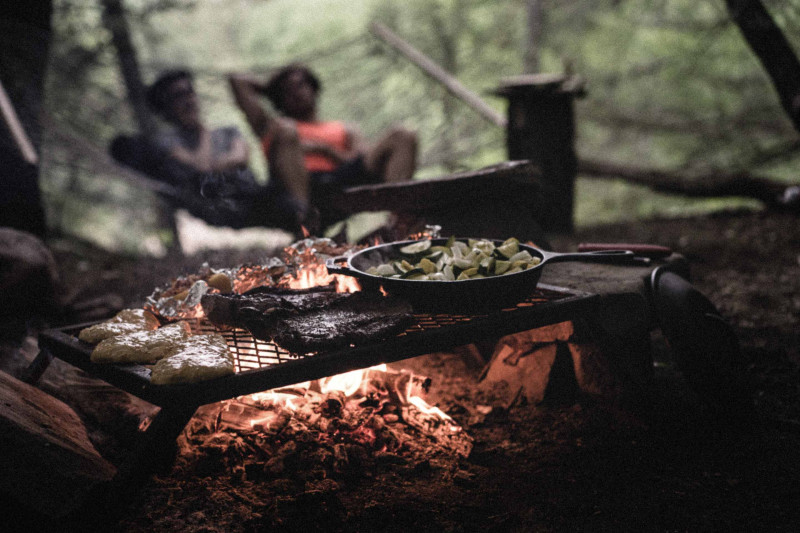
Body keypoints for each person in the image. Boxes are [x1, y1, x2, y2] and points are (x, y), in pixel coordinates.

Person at [228, 64, 417, 225]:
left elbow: (362, 160)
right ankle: (304, 222)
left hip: (342, 180)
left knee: (403, 135)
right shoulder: (272, 127)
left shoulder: (344, 129)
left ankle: (398, 220)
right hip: (299, 189)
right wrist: (271, 89)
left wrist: (324, 150)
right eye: (287, 90)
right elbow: (237, 81)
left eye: (300, 85)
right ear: (279, 99)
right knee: (288, 129)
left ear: (313, 88)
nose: (296, 92)